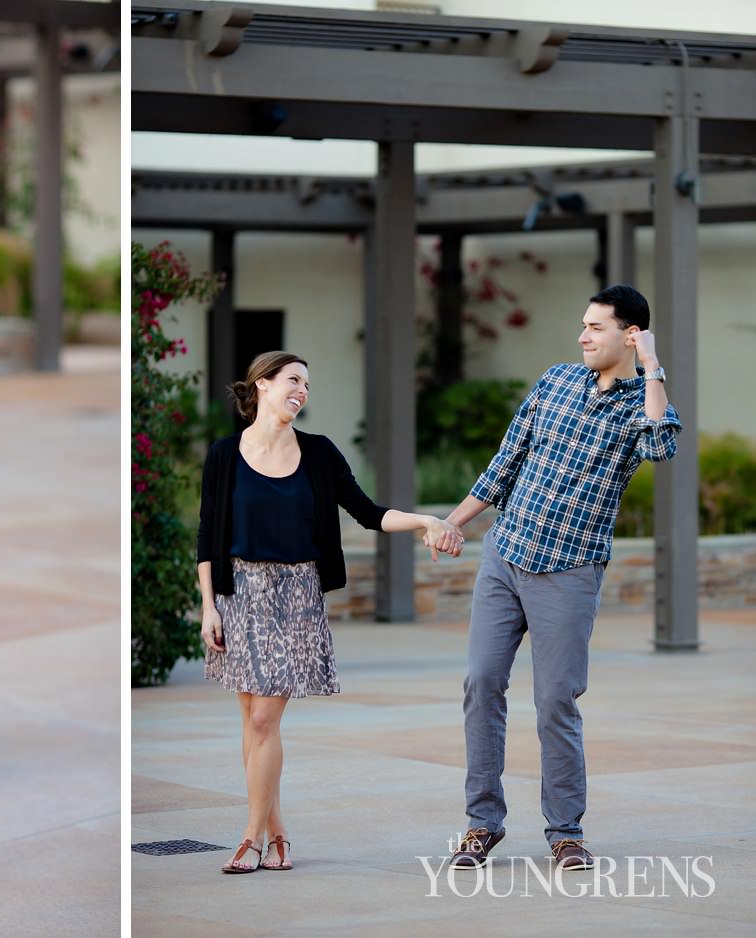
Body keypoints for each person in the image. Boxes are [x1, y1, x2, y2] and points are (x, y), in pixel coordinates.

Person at [444, 284, 681, 873]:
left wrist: (653, 364)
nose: (582, 336)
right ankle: (481, 823)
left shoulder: (639, 404)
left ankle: (565, 832)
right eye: (583, 325)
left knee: (555, 700)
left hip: (570, 570)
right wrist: (453, 523)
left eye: (595, 327)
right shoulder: (554, 382)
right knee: (480, 684)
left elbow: (660, 446)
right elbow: (506, 463)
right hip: (507, 553)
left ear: (629, 334)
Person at [197, 351, 463, 874]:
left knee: (264, 717)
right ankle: (279, 837)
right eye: (293, 380)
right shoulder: (225, 454)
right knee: (253, 725)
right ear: (263, 385)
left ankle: (249, 838)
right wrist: (208, 606)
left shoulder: (318, 454)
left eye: (308, 385)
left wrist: (423, 521)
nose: (301, 391)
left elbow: (367, 512)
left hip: (296, 595)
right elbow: (207, 535)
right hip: (238, 592)